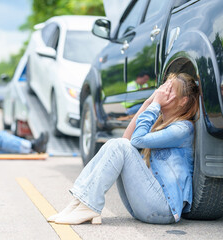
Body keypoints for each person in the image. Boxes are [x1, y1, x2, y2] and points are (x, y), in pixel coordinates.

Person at [48, 73, 200, 225]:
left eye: (170, 89)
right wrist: (148, 102)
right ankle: (79, 202)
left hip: (164, 209)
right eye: (164, 86)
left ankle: (89, 205)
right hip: (147, 206)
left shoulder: (183, 128)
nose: (162, 91)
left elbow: (136, 140)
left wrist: (155, 105)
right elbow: (126, 140)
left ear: (183, 101)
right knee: (117, 143)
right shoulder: (161, 123)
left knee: (120, 146)